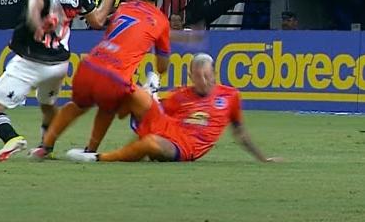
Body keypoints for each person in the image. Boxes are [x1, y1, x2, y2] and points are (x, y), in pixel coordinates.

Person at [0, 0, 130, 161]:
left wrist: (36, 21)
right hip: (59, 65)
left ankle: (12, 138)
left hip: (31, 61)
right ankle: (46, 148)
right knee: (48, 105)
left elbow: (33, 12)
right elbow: (97, 20)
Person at [29, 0, 171, 159]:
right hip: (115, 75)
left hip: (90, 65)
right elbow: (161, 66)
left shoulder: (124, 8)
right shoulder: (161, 21)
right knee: (111, 108)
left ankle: (45, 147)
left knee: (76, 106)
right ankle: (91, 151)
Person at [65, 54, 281, 163]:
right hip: (168, 127)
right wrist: (149, 102)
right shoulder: (181, 95)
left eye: (207, 75)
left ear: (215, 73)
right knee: (130, 93)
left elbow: (239, 132)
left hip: (186, 147)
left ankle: (98, 158)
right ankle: (93, 147)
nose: (203, 81)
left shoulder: (230, 96)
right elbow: (157, 115)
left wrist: (262, 158)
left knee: (149, 142)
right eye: (198, 76)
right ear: (190, 77)